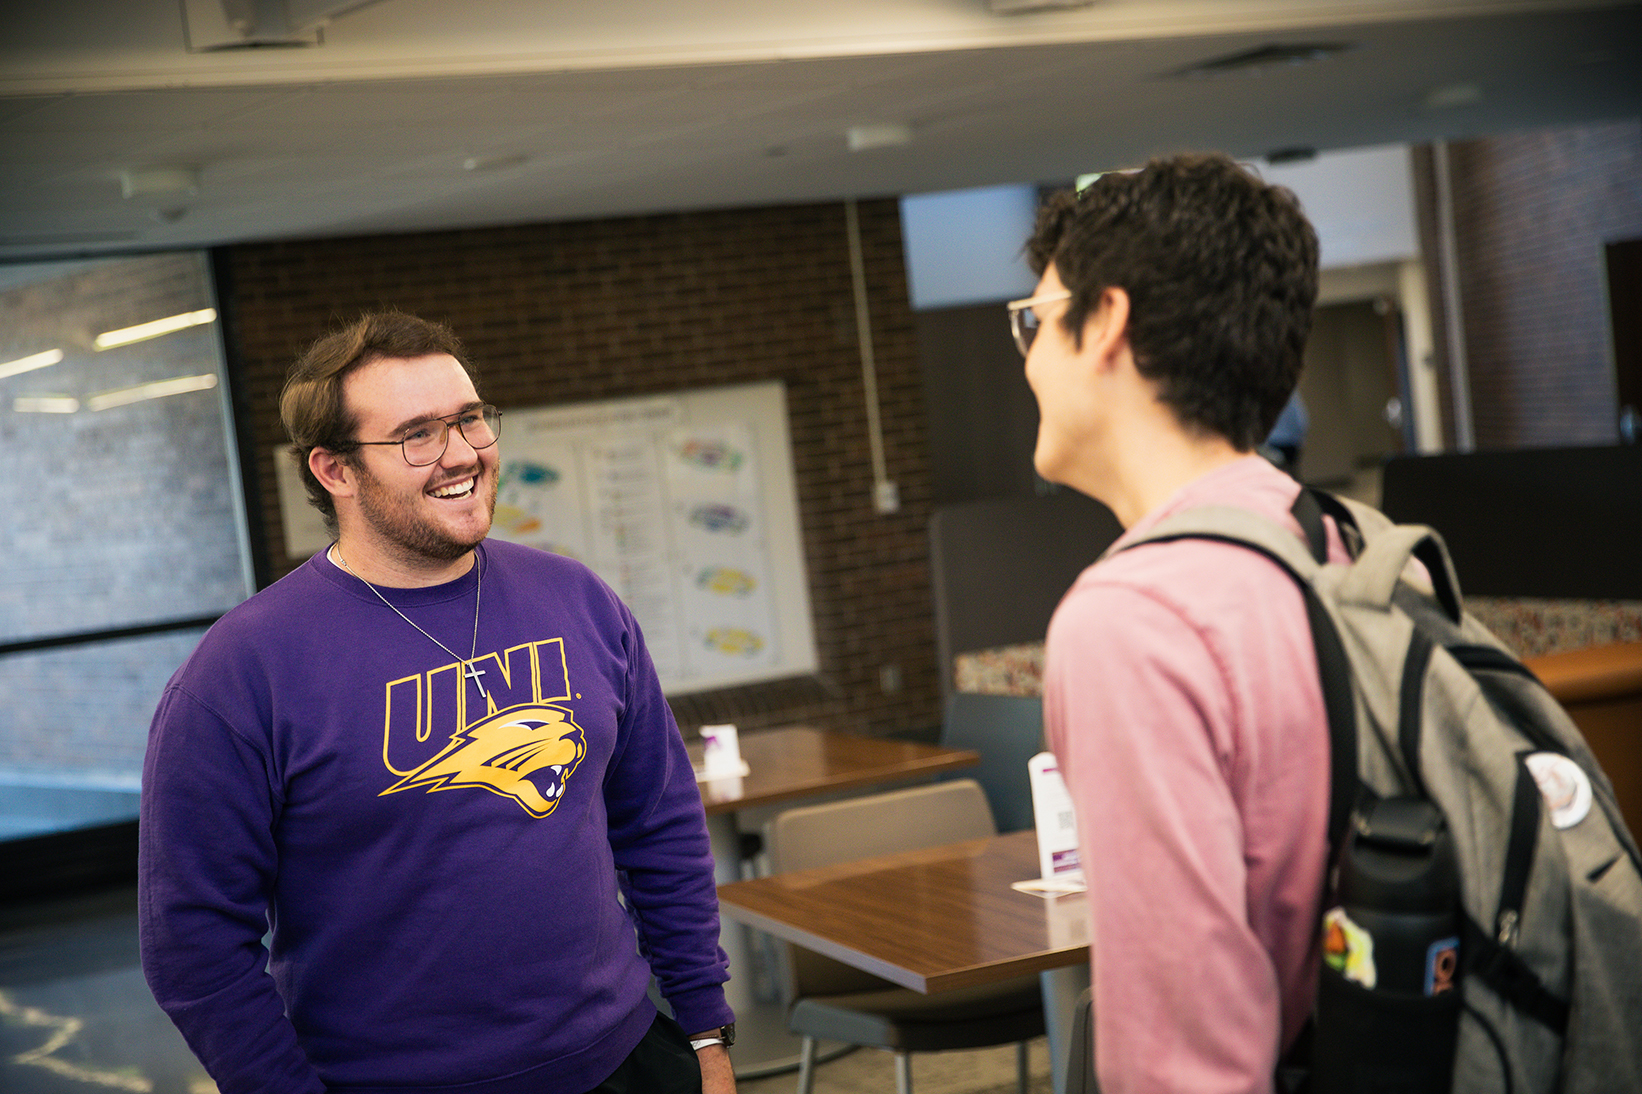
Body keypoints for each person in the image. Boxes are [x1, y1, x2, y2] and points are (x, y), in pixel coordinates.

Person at [139, 311, 736, 1094]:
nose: (462, 454)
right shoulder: (242, 673)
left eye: (470, 420)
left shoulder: (577, 599)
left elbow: (657, 822)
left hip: (627, 1060)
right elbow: (192, 944)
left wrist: (704, 1030)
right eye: (416, 434)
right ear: (335, 470)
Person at [1012, 153, 1341, 1093]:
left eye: (1034, 321)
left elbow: (1186, 1059)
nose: (1029, 359)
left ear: (1105, 322)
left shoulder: (1134, 622)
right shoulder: (1350, 545)